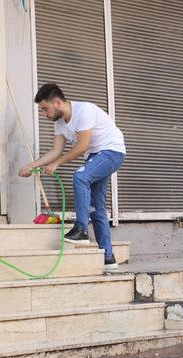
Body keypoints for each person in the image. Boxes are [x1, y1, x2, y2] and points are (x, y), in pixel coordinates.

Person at [18, 83, 126, 270]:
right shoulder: (60, 123)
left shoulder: (84, 110)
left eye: (45, 109)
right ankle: (108, 259)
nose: (45, 114)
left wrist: (57, 163)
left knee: (80, 177)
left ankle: (81, 230)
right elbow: (55, 150)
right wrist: (31, 166)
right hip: (95, 156)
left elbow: (82, 146)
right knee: (96, 208)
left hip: (112, 152)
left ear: (58, 103)